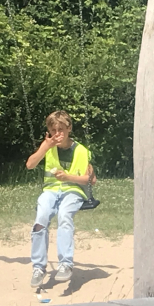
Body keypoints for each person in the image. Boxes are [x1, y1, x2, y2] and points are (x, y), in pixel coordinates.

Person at [26, 110, 96, 288]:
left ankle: (65, 264)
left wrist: (68, 177)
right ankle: (39, 267)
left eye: (61, 129)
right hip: (51, 190)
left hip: (73, 190)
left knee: (64, 215)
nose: (57, 134)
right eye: (53, 130)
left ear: (69, 128)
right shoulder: (48, 147)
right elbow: (30, 165)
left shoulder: (80, 151)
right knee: (41, 219)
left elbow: (91, 180)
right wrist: (44, 147)